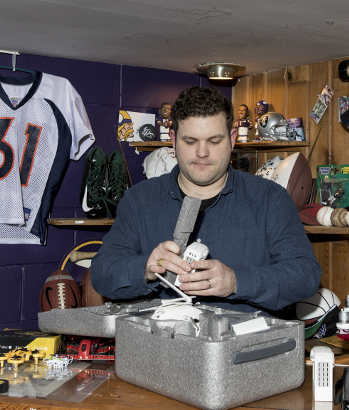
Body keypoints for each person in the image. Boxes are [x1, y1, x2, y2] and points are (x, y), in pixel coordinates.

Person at [92, 86, 321, 315]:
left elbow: (305, 276)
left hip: (243, 347)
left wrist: (236, 281)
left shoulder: (271, 200)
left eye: (214, 141)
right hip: (160, 345)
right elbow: (102, 274)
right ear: (173, 140)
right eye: (191, 141)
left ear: (232, 139)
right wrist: (145, 269)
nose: (202, 152)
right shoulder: (138, 200)